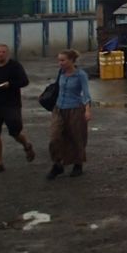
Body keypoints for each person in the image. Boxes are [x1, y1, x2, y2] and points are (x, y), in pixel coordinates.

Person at [0, 44, 35, 174]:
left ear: (7, 54)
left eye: (3, 52)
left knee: (15, 132)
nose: (0, 54)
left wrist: (10, 84)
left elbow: (24, 81)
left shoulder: (15, 66)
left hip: (12, 104)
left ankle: (26, 145)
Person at [47, 49, 93, 180]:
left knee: (76, 137)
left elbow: (86, 93)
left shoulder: (81, 75)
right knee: (54, 137)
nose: (60, 63)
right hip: (59, 108)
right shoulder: (61, 72)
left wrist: (87, 110)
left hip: (75, 109)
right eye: (59, 60)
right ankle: (57, 164)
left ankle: (78, 164)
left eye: (63, 60)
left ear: (72, 61)